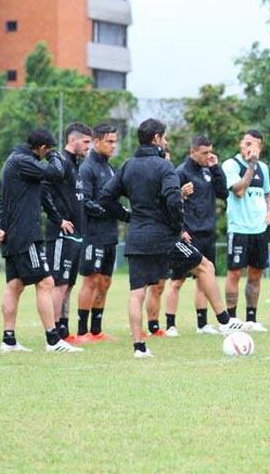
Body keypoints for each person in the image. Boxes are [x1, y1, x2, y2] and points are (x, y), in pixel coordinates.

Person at [100, 119, 251, 357]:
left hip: (137, 236)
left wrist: (129, 217)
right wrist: (177, 227)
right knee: (205, 266)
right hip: (164, 237)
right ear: (157, 139)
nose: (166, 142)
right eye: (165, 138)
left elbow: (105, 198)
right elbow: (172, 200)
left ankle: (140, 347)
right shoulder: (164, 166)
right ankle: (225, 320)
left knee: (137, 292)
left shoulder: (128, 165)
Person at [0, 128, 81, 353]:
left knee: (14, 285)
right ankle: (53, 340)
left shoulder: (17, 163)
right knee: (46, 283)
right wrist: (55, 156)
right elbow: (55, 173)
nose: (48, 154)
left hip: (14, 234)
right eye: (47, 151)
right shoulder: (23, 160)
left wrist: (0, 226)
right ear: (42, 148)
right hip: (26, 235)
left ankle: (9, 339)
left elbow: (34, 196)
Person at [163, 135, 228, 336]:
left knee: (204, 278)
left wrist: (216, 168)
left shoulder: (209, 171)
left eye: (210, 152)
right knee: (177, 281)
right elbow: (171, 202)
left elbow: (223, 193)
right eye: (204, 153)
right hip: (189, 235)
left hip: (207, 232)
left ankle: (202, 324)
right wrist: (181, 230)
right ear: (192, 152)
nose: (208, 156)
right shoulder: (181, 172)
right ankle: (171, 325)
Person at [76, 122, 126, 342]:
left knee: (105, 282)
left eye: (115, 141)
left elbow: (114, 200)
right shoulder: (87, 168)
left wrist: (129, 215)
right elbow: (85, 201)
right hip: (93, 234)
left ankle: (96, 331)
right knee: (91, 281)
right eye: (110, 141)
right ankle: (81, 331)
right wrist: (107, 211)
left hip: (109, 234)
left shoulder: (109, 167)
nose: (114, 146)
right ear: (96, 142)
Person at [42, 123, 92, 342]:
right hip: (61, 233)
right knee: (58, 283)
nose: (88, 147)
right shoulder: (59, 163)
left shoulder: (75, 164)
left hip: (76, 232)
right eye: (86, 142)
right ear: (73, 140)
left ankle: (64, 330)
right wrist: (58, 219)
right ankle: (53, 335)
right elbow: (43, 191)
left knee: (68, 283)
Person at [221, 129, 270, 331]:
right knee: (234, 274)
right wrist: (251, 165)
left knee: (256, 275)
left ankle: (251, 319)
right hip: (239, 228)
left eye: (255, 145)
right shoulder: (230, 165)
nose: (250, 148)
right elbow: (240, 191)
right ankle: (231, 319)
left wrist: (269, 212)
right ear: (240, 144)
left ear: (260, 148)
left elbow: (268, 193)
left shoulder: (264, 168)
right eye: (247, 143)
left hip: (259, 229)